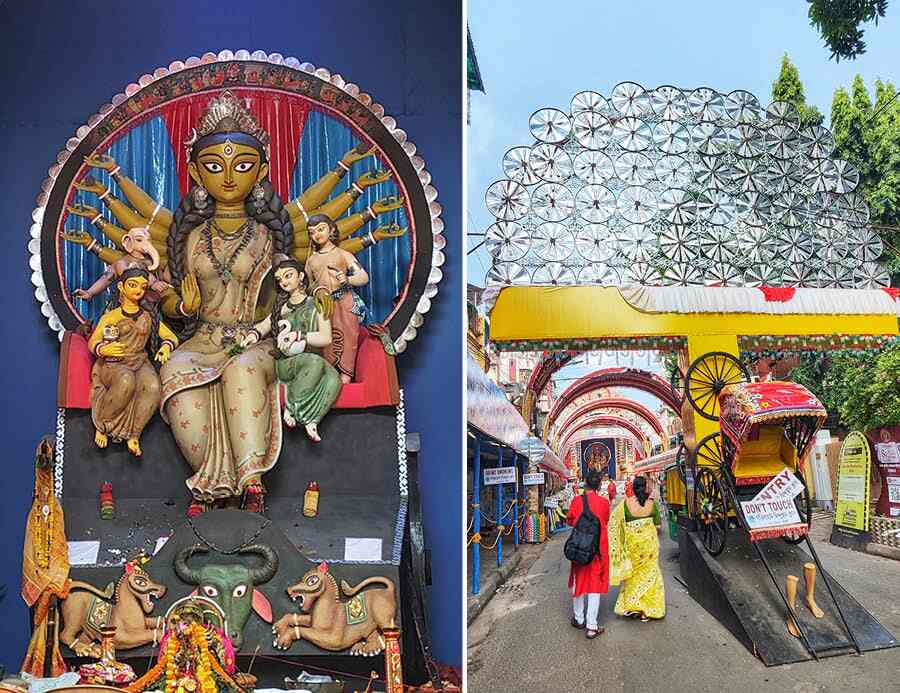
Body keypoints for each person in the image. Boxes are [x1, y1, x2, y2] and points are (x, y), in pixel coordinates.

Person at [243, 256, 342, 442]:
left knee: (334, 379)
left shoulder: (317, 304)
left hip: (311, 358)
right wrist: (250, 336)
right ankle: (292, 406)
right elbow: (263, 327)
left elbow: (326, 338)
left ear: (301, 276)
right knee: (314, 362)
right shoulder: (282, 308)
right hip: (287, 362)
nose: (284, 282)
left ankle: (311, 419)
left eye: (288, 276)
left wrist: (299, 336)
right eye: (280, 280)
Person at [613, 475, 665, 621]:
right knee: (650, 575)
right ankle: (647, 610)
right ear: (646, 488)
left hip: (632, 546)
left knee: (632, 575)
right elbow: (658, 525)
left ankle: (633, 606)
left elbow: (615, 524)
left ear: (633, 489)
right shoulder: (651, 505)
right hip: (649, 546)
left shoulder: (625, 504)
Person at [566, 470, 610, 639]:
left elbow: (570, 519)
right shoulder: (604, 503)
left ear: (585, 483)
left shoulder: (577, 501)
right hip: (598, 549)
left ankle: (579, 619)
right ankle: (592, 626)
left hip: (580, 547)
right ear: (599, 485)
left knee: (579, 581)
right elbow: (605, 521)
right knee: (594, 585)